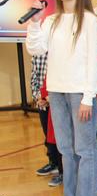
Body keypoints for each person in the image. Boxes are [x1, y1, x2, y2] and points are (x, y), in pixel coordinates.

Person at [26, 0, 97, 196]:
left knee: (85, 148)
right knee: (65, 148)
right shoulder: (52, 20)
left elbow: (94, 62)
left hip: (80, 92)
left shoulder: (90, 20)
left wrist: (88, 97)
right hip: (57, 91)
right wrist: (34, 23)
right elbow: (36, 49)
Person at [31, 53, 63, 186]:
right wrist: (41, 97)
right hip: (48, 104)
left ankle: (65, 172)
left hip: (62, 104)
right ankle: (56, 166)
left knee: (64, 142)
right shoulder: (38, 54)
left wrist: (51, 98)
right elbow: (38, 80)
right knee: (53, 139)